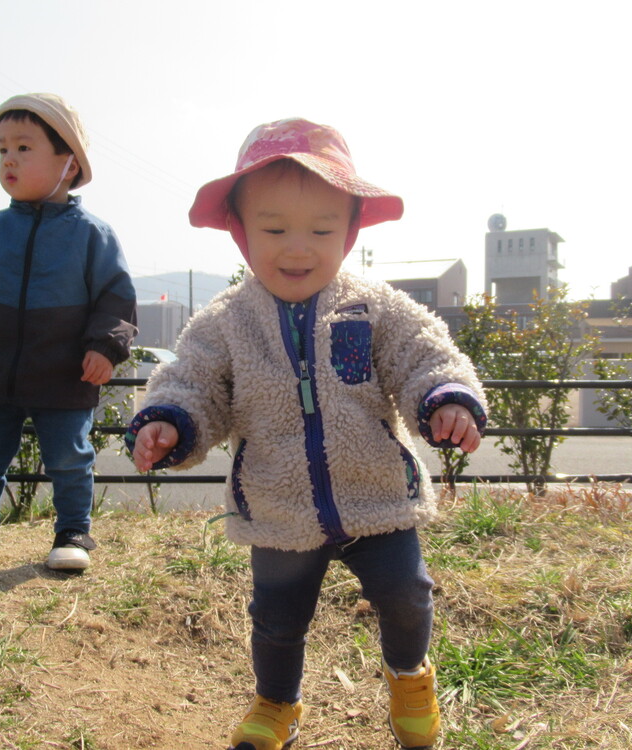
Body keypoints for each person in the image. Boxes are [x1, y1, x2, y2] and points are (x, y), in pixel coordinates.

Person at [125, 118, 487, 749]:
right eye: (273, 229)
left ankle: (409, 677)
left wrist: (444, 399)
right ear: (239, 233)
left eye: (321, 230)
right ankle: (277, 704)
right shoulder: (227, 321)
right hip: (279, 501)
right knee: (276, 618)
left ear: (349, 232)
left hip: (376, 494)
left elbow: (426, 354)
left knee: (407, 593)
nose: (298, 247)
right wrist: (168, 420)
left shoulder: (376, 307)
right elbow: (191, 382)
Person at [0, 93, 137, 571]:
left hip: (66, 373)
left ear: (68, 161)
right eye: (2, 149)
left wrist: (105, 346)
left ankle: (73, 532)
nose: (9, 160)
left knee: (69, 457)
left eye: (24, 147)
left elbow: (116, 297)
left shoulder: (92, 234)